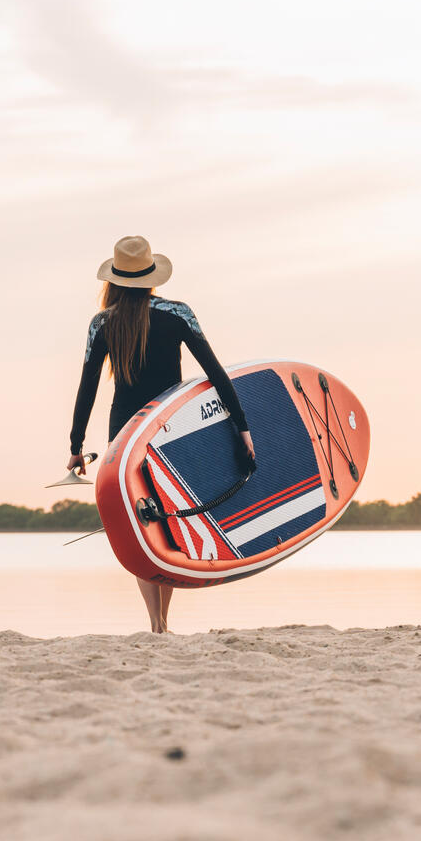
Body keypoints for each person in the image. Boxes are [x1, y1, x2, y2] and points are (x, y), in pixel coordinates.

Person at [69, 236, 255, 633]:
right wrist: (241, 426)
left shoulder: (103, 323)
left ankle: (156, 621)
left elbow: (88, 389)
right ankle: (162, 621)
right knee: (167, 518)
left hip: (125, 433)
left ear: (115, 279)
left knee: (142, 522)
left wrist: (76, 445)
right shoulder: (178, 314)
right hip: (169, 426)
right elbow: (216, 373)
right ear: (151, 276)